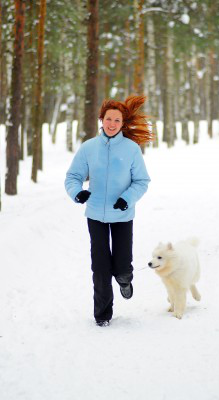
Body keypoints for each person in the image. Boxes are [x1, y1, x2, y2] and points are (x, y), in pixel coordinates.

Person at [65, 95, 153, 327]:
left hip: (122, 214)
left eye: (117, 120)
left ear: (123, 123)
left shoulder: (131, 149)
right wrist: (77, 192)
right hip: (95, 214)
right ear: (101, 120)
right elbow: (73, 176)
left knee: (122, 264)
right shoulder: (89, 148)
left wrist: (127, 198)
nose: (112, 123)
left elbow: (142, 181)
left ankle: (124, 279)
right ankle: (102, 315)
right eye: (108, 119)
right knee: (100, 266)